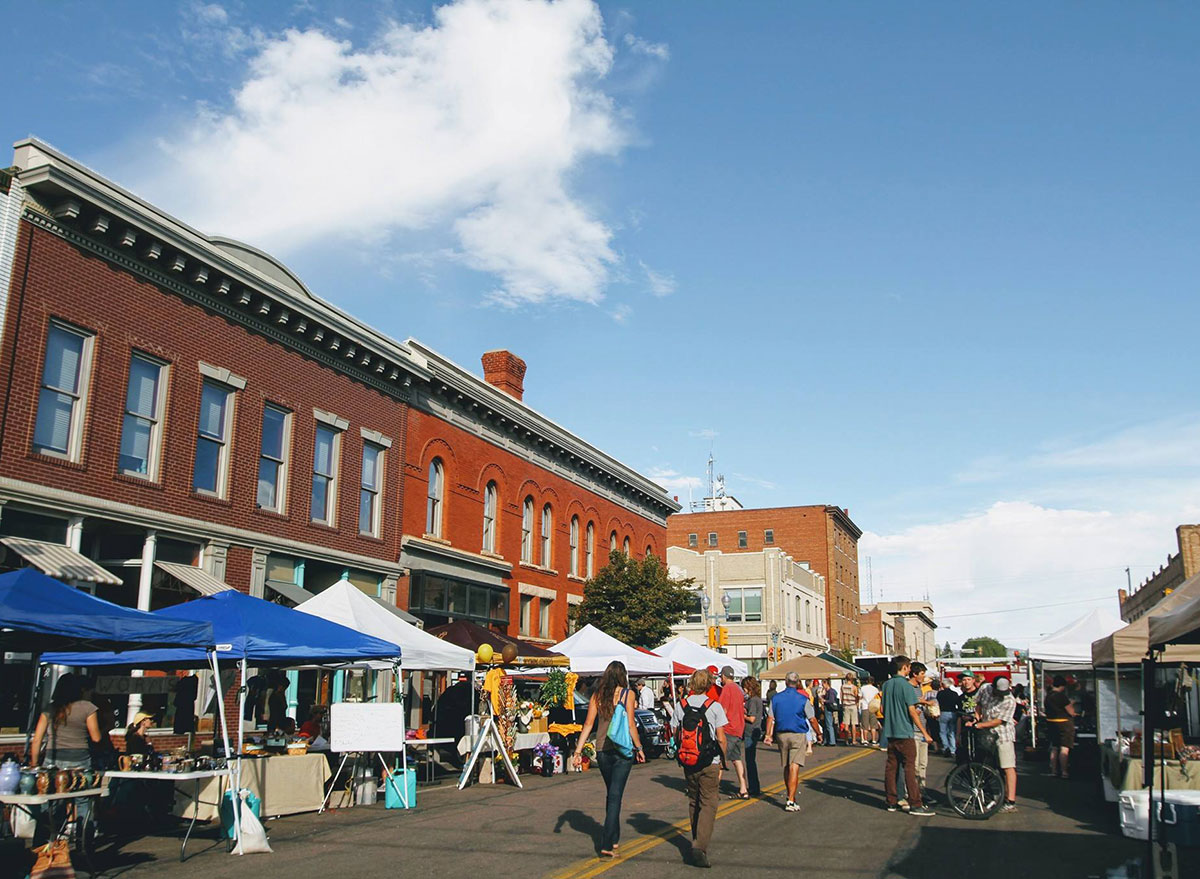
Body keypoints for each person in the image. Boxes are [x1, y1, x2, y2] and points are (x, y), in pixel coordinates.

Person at [572, 661, 645, 858]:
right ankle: (606, 842)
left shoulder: (597, 695)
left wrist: (578, 751)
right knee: (615, 796)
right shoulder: (627, 694)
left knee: (612, 794)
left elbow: (588, 724)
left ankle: (613, 838)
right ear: (623, 676)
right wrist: (639, 747)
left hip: (602, 750)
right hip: (622, 750)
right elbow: (630, 724)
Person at [30, 673, 101, 833]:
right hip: (80, 759)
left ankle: (44, 842)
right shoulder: (87, 707)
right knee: (82, 801)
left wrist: (34, 764)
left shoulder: (49, 709)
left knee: (49, 801)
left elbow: (37, 739)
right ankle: (84, 842)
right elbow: (96, 737)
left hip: (53, 759)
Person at [672, 668, 728, 868]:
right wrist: (724, 758)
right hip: (709, 760)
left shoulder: (682, 705)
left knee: (693, 800)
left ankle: (696, 839)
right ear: (709, 684)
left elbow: (675, 730)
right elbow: (721, 737)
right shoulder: (714, 706)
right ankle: (699, 846)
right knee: (709, 802)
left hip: (689, 759)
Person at [880, 655, 934, 816]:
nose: (910, 670)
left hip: (890, 732)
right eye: (909, 667)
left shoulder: (887, 685)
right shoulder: (906, 686)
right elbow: (912, 711)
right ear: (904, 668)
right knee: (910, 768)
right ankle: (915, 803)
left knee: (891, 768)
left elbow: (882, 710)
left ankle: (891, 801)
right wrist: (925, 733)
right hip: (905, 732)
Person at [763, 671, 815, 813]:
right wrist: (819, 733)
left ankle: (790, 794)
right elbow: (812, 718)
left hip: (781, 734)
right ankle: (791, 800)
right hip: (797, 733)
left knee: (786, 765)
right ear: (797, 682)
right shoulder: (803, 699)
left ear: (786, 682)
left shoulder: (777, 698)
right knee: (794, 766)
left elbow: (770, 718)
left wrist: (768, 734)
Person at [975, 675, 1018, 813]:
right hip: (986, 735)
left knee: (1007, 766)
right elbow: (979, 704)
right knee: (987, 766)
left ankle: (1010, 800)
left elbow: (999, 721)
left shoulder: (1010, 700)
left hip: (1003, 735)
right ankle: (990, 795)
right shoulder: (984, 689)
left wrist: (980, 725)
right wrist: (977, 717)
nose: (1001, 695)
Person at [716, 666, 748, 798]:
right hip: (739, 728)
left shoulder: (727, 689)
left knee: (719, 759)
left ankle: (713, 790)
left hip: (728, 728)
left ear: (723, 676)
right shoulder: (738, 689)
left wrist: (717, 726)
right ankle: (743, 788)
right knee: (737, 759)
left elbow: (722, 710)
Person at [1044, 675, 1077, 779]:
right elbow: (1071, 712)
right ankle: (1064, 772)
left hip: (1051, 723)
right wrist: (1071, 704)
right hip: (1064, 724)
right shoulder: (1061, 696)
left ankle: (1053, 771)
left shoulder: (1048, 696)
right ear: (1062, 686)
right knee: (1064, 748)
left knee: (1054, 748)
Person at [742, 676, 763, 797]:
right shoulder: (756, 699)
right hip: (754, 731)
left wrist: (743, 714)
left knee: (750, 761)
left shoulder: (753, 701)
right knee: (750, 760)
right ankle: (754, 786)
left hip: (751, 731)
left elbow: (752, 718)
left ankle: (754, 787)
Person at [956, 673, 982, 761]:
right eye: (964, 680)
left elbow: (984, 710)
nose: (966, 682)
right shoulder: (961, 698)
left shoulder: (979, 693)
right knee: (965, 755)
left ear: (973, 680)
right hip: (966, 730)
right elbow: (959, 716)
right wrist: (957, 735)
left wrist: (974, 719)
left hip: (979, 729)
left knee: (980, 755)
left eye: (968, 679)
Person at [936, 677, 961, 755]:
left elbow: (938, 702)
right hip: (953, 713)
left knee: (942, 731)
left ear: (943, 685)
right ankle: (953, 749)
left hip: (943, 712)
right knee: (952, 731)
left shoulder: (940, 693)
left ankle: (945, 747)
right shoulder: (954, 694)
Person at [860, 677, 881, 748]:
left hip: (865, 706)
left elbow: (860, 696)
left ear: (866, 681)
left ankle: (865, 740)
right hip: (873, 707)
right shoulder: (875, 689)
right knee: (873, 725)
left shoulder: (862, 688)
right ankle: (874, 740)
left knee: (865, 725)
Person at [841, 675, 861, 744]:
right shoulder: (854, 687)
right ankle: (853, 740)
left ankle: (846, 740)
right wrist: (857, 701)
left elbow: (841, 696)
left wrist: (842, 703)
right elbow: (857, 696)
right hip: (853, 705)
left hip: (846, 705)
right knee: (853, 723)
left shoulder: (843, 686)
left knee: (846, 723)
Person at [822, 679, 840, 745]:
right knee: (830, 724)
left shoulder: (830, 691)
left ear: (826, 683)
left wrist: (824, 700)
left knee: (829, 725)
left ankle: (832, 741)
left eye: (823, 684)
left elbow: (831, 700)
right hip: (832, 709)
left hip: (829, 708)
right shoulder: (832, 691)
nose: (822, 686)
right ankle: (829, 740)